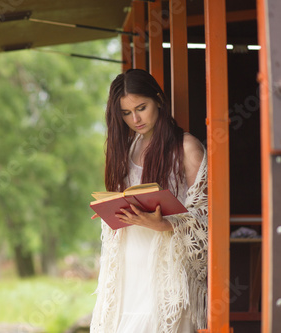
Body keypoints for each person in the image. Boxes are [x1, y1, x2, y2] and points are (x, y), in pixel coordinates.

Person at [90, 69, 208, 333]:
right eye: (126, 113)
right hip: (129, 268)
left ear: (159, 100)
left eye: (141, 108)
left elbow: (209, 216)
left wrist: (166, 224)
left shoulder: (187, 147)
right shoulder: (129, 147)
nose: (135, 119)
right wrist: (112, 210)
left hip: (166, 269)